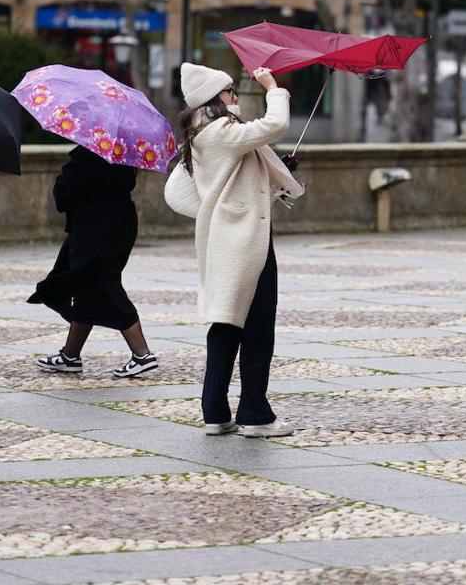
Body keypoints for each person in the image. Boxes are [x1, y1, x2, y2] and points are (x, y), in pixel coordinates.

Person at [168, 62, 304, 437]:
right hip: (244, 241)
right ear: (215, 99)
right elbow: (274, 125)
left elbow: (230, 174)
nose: (234, 97)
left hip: (229, 238)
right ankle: (255, 416)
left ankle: (215, 411)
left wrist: (275, 171)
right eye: (229, 92)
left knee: (227, 322)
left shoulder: (204, 133)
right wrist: (273, 87)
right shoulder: (221, 131)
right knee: (258, 326)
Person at [29, 145, 157, 378]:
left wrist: (64, 176)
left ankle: (142, 355)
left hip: (95, 229)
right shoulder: (123, 152)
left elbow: (64, 192)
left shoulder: (89, 153)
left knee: (104, 285)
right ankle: (70, 355)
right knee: (86, 285)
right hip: (118, 223)